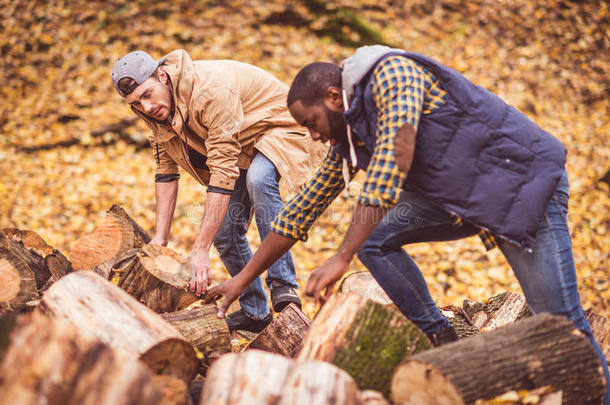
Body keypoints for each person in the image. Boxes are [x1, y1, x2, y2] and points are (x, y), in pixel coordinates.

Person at [204, 45, 609, 402]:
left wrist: (341, 256)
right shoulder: (351, 129)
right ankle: (442, 339)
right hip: (469, 199)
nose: (310, 135)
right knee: (374, 238)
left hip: (526, 187)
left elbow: (392, 161)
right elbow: (303, 208)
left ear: (333, 96)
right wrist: (243, 280)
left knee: (560, 326)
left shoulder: (391, 73)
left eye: (311, 122)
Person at [111, 49, 327, 333]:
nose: (146, 107)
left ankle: (283, 286)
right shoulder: (154, 110)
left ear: (162, 76)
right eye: (136, 102)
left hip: (280, 127)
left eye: (148, 94)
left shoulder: (208, 92)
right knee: (225, 233)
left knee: (260, 180)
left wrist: (200, 249)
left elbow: (223, 170)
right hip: (241, 147)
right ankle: (255, 312)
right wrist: (160, 239)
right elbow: (165, 170)